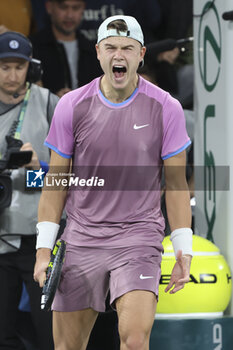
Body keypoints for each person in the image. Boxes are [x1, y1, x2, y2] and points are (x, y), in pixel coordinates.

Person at [34, 15, 193, 350]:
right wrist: (43, 250)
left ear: (141, 54)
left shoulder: (167, 108)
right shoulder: (71, 105)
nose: (118, 55)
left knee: (135, 340)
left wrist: (184, 249)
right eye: (111, 48)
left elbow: (177, 186)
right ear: (98, 53)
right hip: (81, 239)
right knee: (67, 347)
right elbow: (55, 183)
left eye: (127, 48)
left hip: (139, 237)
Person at [0, 31, 59, 349]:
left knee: (50, 333)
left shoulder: (51, 104)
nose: (12, 75)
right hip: (0, 237)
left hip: (39, 238)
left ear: (30, 68)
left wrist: (38, 170)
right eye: (4, 67)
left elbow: (74, 178)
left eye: (18, 67)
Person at [30, 0, 102, 97]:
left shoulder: (94, 50)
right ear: (49, 7)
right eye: (63, 7)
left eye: (75, 8)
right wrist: (52, 100)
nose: (69, 15)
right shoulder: (32, 47)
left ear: (83, 8)